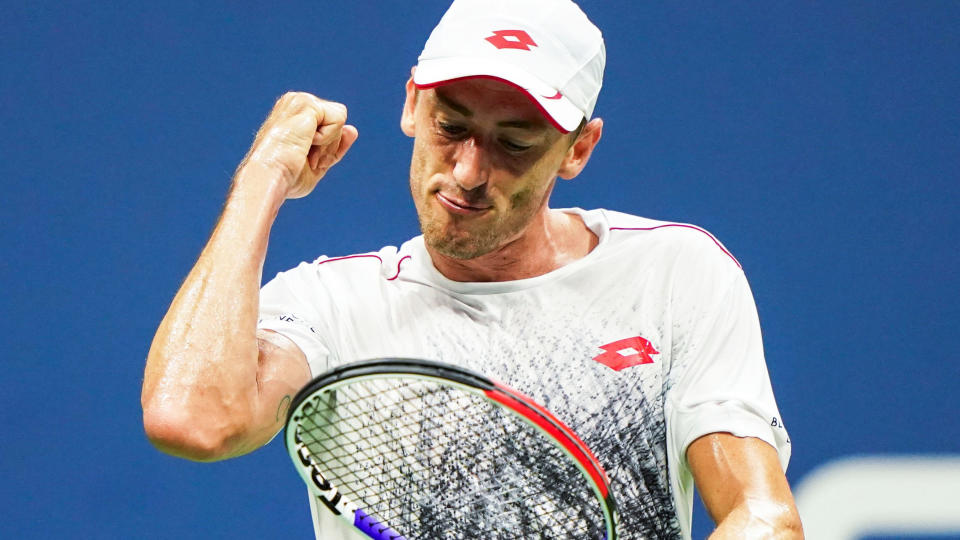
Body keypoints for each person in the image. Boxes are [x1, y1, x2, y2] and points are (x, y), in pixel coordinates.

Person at [141, 0, 803, 537]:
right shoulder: (332, 306)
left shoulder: (673, 276)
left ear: (578, 149)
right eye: (449, 126)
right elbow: (189, 419)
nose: (467, 172)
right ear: (410, 105)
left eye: (514, 144)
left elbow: (763, 516)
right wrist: (263, 177)